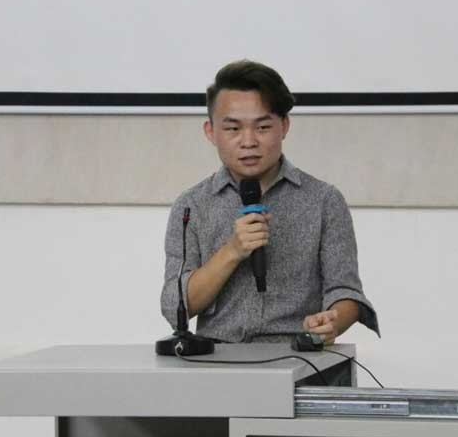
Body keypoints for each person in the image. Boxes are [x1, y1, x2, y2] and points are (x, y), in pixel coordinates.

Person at [161, 59, 379, 344]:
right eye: (233, 129)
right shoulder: (191, 206)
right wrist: (232, 251)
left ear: (284, 126)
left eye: (262, 127)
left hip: (299, 356)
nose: (248, 141)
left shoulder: (324, 201)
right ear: (210, 132)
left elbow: (345, 292)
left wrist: (332, 322)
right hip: (217, 359)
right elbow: (175, 307)